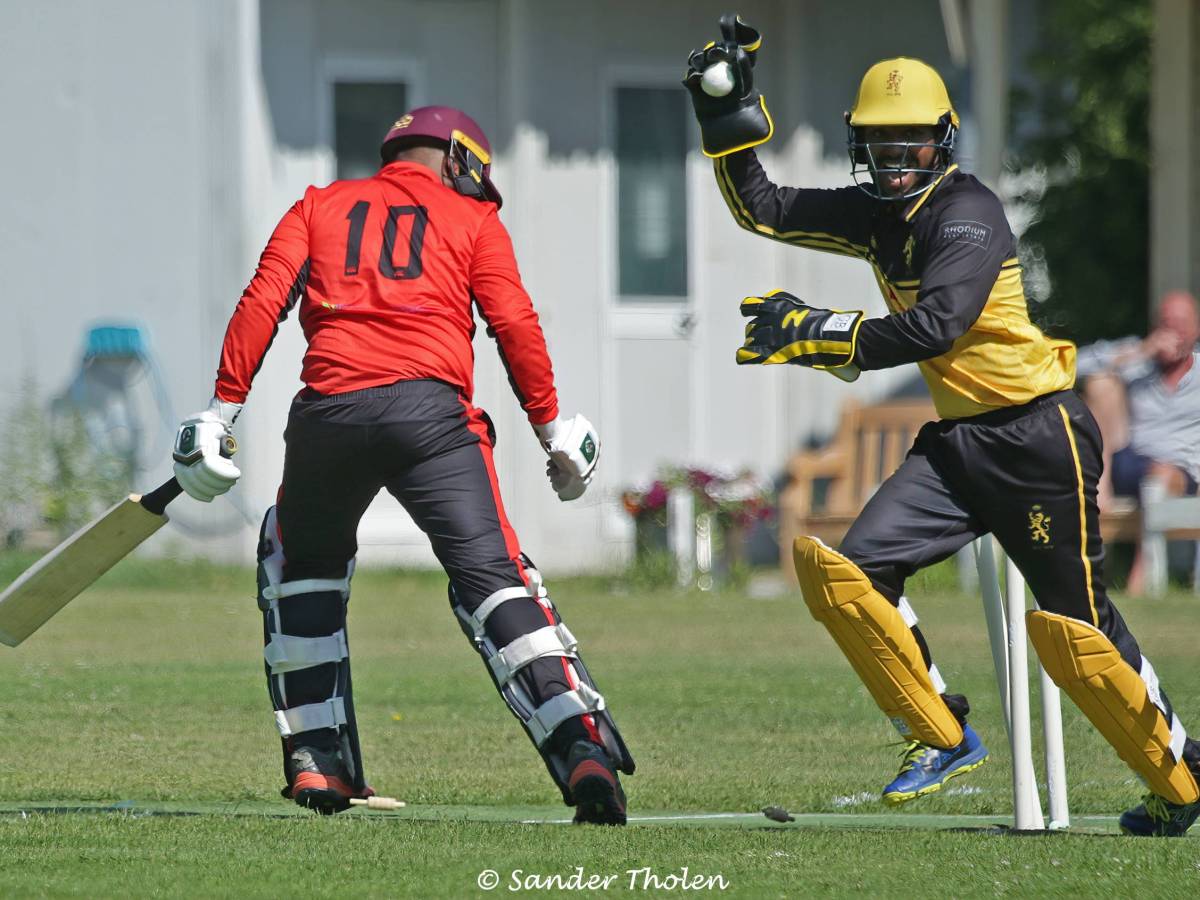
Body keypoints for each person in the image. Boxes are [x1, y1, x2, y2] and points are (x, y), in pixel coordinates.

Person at [684, 17, 1200, 836]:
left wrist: (822, 334)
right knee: (843, 573)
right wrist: (729, 118)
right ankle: (943, 734)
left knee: (1076, 632)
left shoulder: (968, 212)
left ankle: (1182, 782)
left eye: (911, 147)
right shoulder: (875, 215)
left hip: (1037, 439)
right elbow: (766, 207)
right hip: (958, 446)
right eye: (881, 147)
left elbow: (940, 325)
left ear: (942, 144)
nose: (895, 164)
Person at [170, 106, 633, 823]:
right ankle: (582, 749)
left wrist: (218, 413)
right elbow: (514, 322)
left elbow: (263, 299)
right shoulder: (473, 221)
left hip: (328, 416)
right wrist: (552, 431)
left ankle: (316, 765)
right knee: (495, 581)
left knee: (301, 569)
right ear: (457, 160)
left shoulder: (318, 205)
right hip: (432, 419)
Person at [1077, 290, 1200, 593]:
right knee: (1101, 383)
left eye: (1182, 324)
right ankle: (1098, 486)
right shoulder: (1138, 357)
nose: (1174, 332)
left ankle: (1140, 578)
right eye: (1167, 324)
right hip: (1129, 459)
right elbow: (1075, 366)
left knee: (1162, 475)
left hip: (1182, 470)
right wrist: (1143, 350)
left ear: (1195, 328)